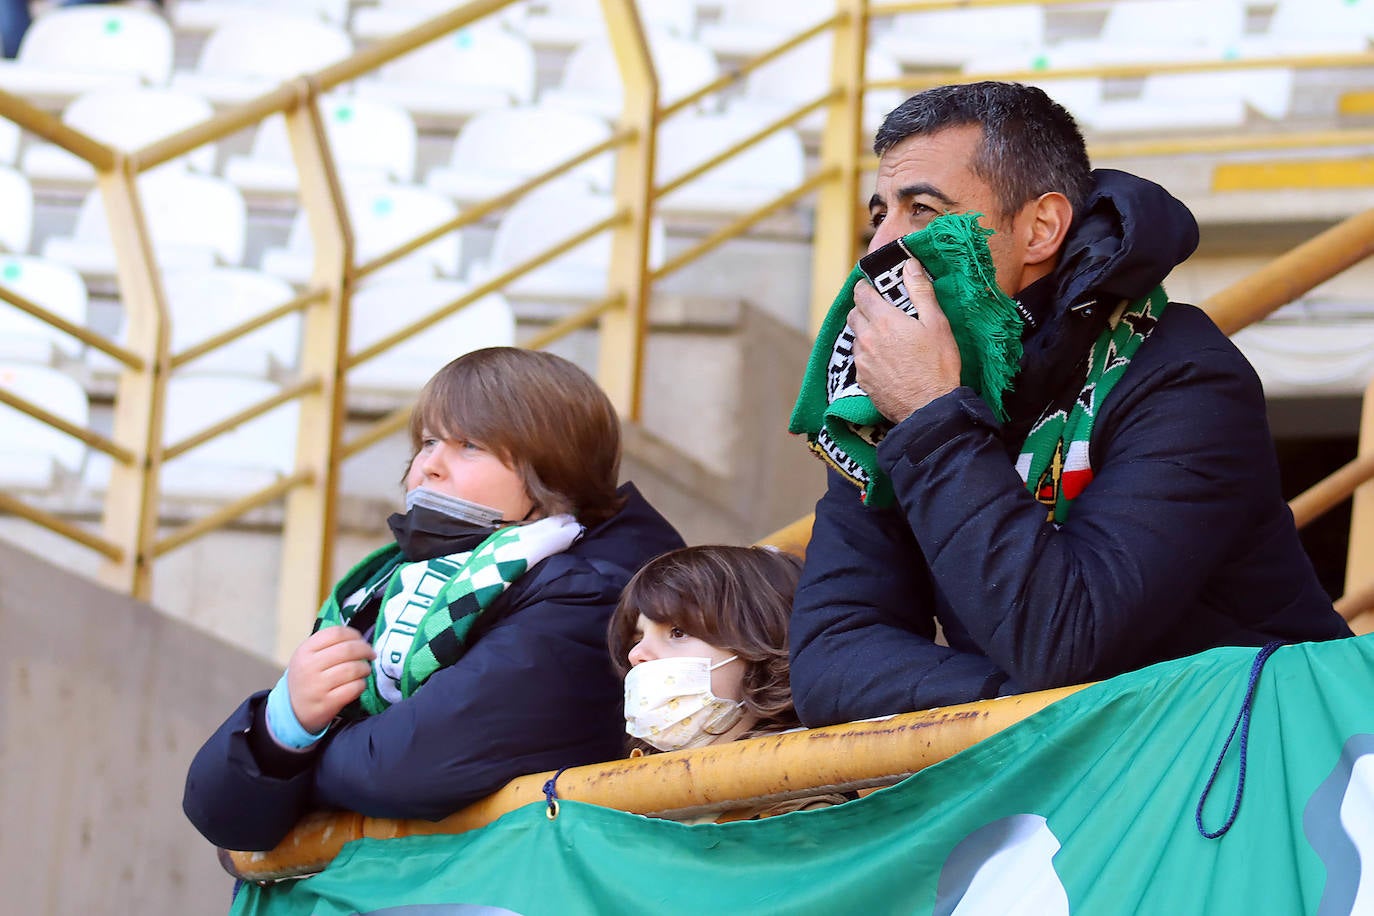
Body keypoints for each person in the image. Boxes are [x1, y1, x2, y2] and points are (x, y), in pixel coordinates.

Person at [788, 81, 1354, 728]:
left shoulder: (1186, 376)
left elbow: (1061, 642)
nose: (879, 248)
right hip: (1086, 775)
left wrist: (931, 415)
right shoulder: (892, 392)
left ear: (1040, 229)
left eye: (921, 210)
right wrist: (1021, 707)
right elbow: (831, 660)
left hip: (1270, 771)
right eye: (878, 214)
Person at [184, 347, 684, 852]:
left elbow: (408, 768)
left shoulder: (596, 595)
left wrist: (297, 762)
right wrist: (281, 727)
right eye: (426, 442)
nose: (429, 467)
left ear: (555, 472)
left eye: (468, 445)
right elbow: (225, 817)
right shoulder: (389, 586)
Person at [610, 545, 846, 821]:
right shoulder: (629, 795)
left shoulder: (809, 810)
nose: (635, 654)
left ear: (765, 645)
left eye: (678, 632)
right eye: (637, 639)